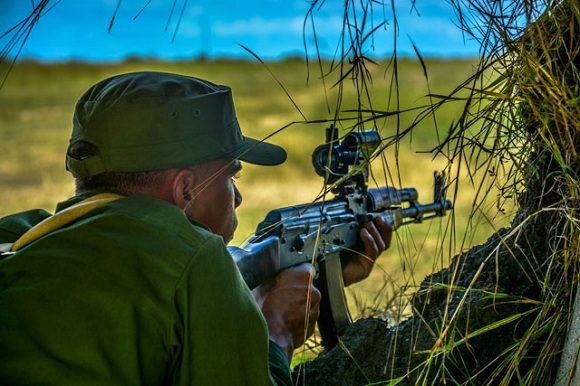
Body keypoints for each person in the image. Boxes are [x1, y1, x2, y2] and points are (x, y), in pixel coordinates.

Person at [0, 71, 392, 385]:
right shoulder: (194, 256)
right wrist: (278, 333)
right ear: (186, 188)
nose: (237, 198)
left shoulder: (20, 234)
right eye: (231, 177)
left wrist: (317, 280)